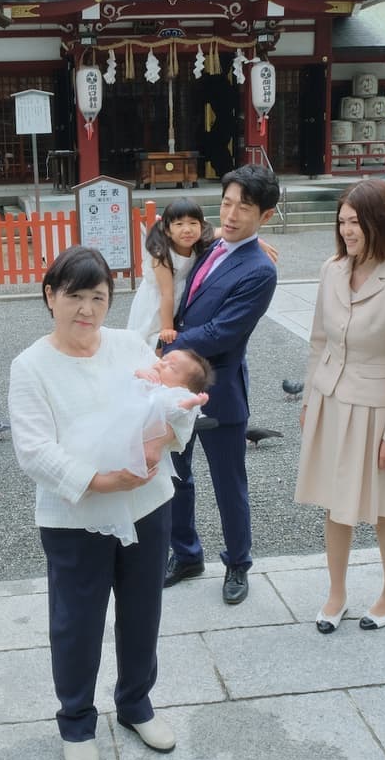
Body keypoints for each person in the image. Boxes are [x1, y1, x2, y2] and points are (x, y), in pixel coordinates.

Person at [9, 246, 199, 760]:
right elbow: (34, 451)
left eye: (98, 297)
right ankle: (76, 722)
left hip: (145, 503)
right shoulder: (31, 366)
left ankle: (136, 703)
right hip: (76, 517)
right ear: (50, 296)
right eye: (75, 296)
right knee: (77, 621)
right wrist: (99, 481)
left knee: (142, 610)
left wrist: (160, 442)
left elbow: (171, 401)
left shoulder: (128, 344)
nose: (87, 310)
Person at [294, 180, 385, 634]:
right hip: (331, 400)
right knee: (334, 503)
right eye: (343, 222)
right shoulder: (331, 270)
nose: (347, 231)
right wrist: (310, 399)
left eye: (356, 222)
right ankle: (336, 593)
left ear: (379, 223)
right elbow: (318, 341)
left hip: (376, 410)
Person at [162, 164, 280, 604]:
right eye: (226, 203)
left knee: (229, 484)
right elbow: (162, 238)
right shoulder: (211, 244)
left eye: (243, 208)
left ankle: (238, 563)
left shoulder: (260, 271)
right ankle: (186, 554)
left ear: (265, 216)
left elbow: (221, 333)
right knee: (176, 474)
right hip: (177, 389)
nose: (230, 215)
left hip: (220, 387)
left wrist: (163, 345)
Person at [61, 349, 214, 545]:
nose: (161, 364)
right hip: (120, 433)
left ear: (183, 385)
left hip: (141, 434)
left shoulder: (173, 393)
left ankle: (86, 491)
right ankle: (81, 488)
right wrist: (140, 374)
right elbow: (127, 384)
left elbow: (176, 413)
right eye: (164, 359)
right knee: (98, 456)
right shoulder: (151, 380)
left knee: (127, 463)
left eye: (172, 368)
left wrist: (191, 402)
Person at [125, 199, 212, 346]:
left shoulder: (198, 243)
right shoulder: (163, 254)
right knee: (147, 337)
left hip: (175, 298)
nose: (187, 229)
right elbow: (166, 294)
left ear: (201, 226)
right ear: (167, 230)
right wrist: (167, 329)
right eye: (179, 224)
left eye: (193, 223)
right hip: (156, 302)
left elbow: (221, 233)